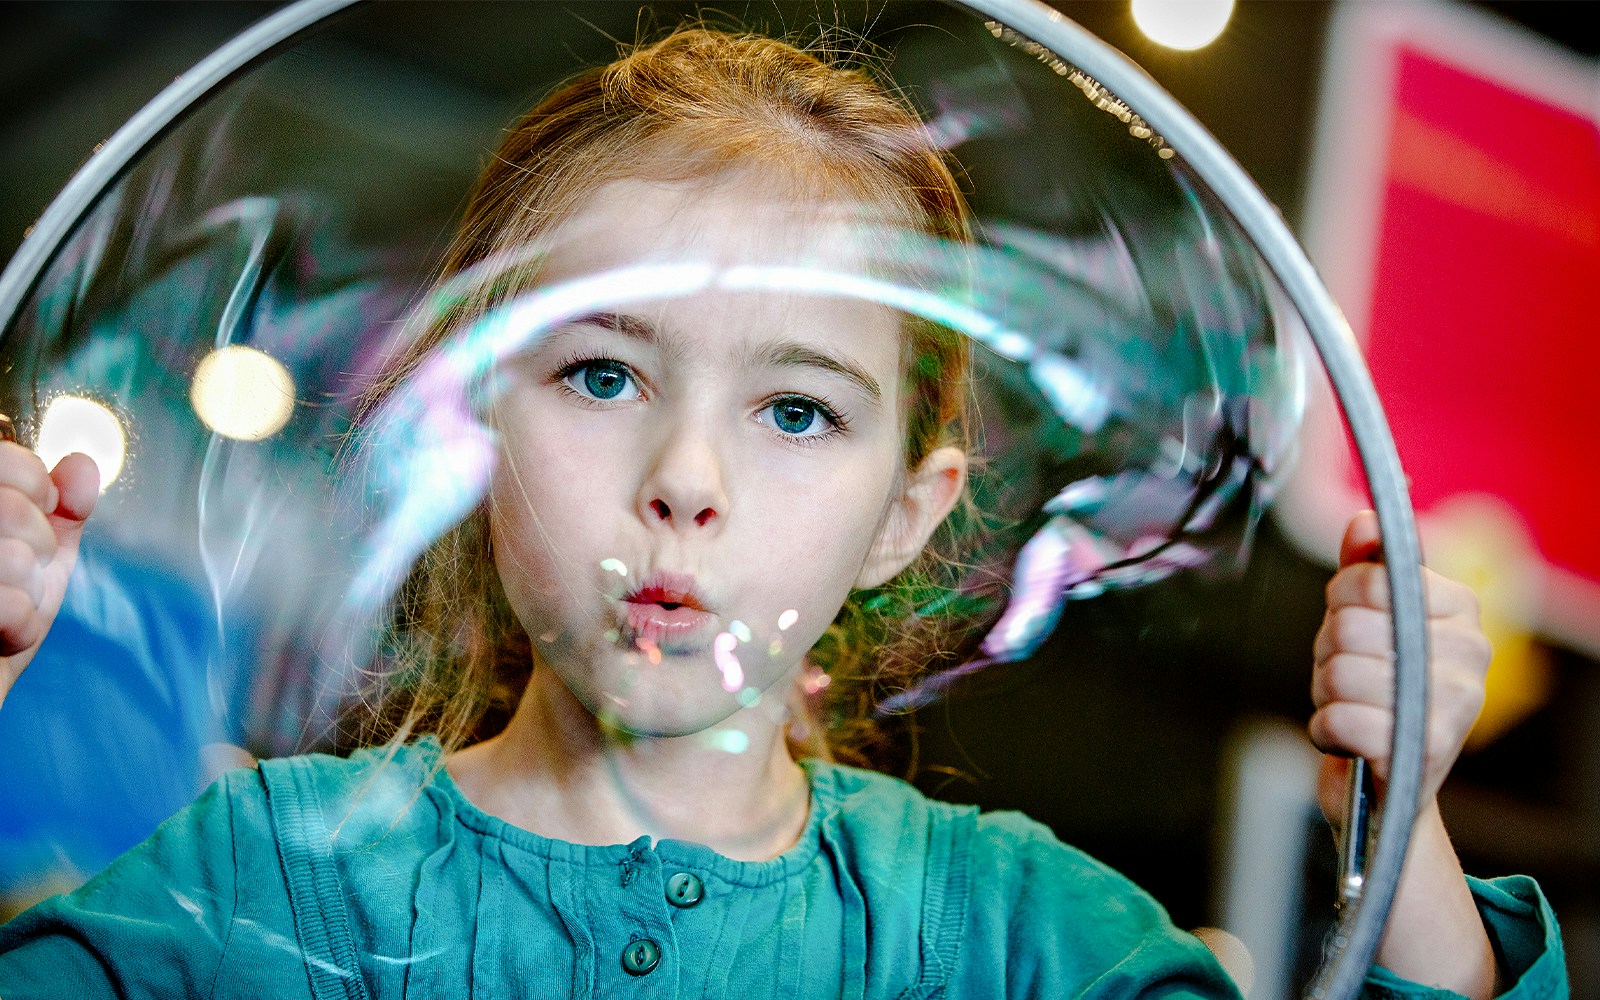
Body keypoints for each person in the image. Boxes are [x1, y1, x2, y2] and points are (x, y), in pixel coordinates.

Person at [0, 27, 1564, 1000]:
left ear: (909, 511)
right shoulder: (265, 882)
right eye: (603, 376)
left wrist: (1404, 830)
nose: (689, 479)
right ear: (467, 418)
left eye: (799, 410)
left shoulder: (1020, 937)